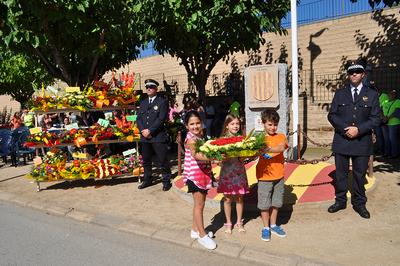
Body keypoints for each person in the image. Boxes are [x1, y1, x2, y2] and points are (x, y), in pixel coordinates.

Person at [327, 60, 380, 219]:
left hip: (362, 142)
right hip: (342, 140)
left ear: (363, 74)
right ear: (348, 75)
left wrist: (359, 129)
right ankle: (340, 200)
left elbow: (376, 118)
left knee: (359, 174)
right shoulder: (340, 93)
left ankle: (359, 203)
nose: (354, 74)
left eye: (357, 71)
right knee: (341, 174)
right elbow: (332, 115)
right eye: (351, 72)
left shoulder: (372, 94)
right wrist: (345, 128)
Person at [183, 110, 217, 250]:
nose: (195, 126)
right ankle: (202, 236)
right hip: (194, 177)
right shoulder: (191, 139)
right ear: (186, 126)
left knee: (198, 204)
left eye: (197, 123)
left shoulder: (199, 136)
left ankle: (195, 230)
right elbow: (197, 155)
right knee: (199, 205)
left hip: (202, 175)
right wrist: (214, 157)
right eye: (192, 124)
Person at [256, 109, 288, 242]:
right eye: (269, 124)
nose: (273, 127)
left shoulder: (281, 137)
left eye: (275, 124)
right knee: (264, 204)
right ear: (263, 124)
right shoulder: (259, 138)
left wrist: (267, 149)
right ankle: (265, 227)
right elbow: (254, 152)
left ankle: (273, 225)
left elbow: (281, 148)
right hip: (264, 177)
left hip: (279, 175)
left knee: (276, 202)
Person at [137, 79, 172, 191]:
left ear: (156, 89)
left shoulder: (162, 102)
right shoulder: (143, 102)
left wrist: (150, 131)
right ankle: (147, 179)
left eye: (151, 87)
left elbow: (161, 119)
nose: (148, 89)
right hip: (145, 137)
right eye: (147, 87)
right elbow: (139, 118)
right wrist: (143, 130)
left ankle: (166, 181)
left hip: (157, 136)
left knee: (162, 160)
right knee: (146, 160)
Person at [217, 114, 249, 234]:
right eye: (232, 124)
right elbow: (218, 160)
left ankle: (239, 222)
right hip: (227, 172)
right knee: (228, 199)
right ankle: (228, 222)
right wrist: (222, 158)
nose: (235, 126)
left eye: (237, 124)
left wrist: (244, 155)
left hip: (239, 171)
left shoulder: (243, 139)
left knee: (240, 198)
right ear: (227, 126)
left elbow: (244, 157)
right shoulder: (221, 140)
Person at [382, 89, 400, 159]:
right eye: (391, 93)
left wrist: (387, 118)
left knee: (393, 139)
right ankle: (387, 153)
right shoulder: (385, 101)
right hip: (385, 123)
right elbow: (380, 109)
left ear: (396, 95)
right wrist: (383, 117)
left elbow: (396, 112)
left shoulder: (398, 101)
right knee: (386, 139)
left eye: (394, 94)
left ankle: (395, 154)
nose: (392, 95)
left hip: (394, 123)